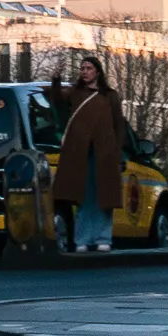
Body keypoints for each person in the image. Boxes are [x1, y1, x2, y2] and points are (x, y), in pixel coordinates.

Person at [49, 54, 126, 251]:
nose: (85, 72)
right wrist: (56, 79)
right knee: (83, 197)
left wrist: (118, 153)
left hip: (105, 154)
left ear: (97, 72)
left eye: (89, 68)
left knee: (104, 197)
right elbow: (57, 99)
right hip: (80, 154)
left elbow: (119, 125)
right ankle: (82, 239)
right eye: (82, 68)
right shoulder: (75, 93)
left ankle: (103, 238)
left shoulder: (110, 96)